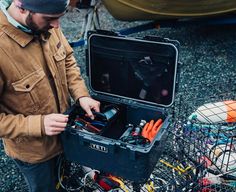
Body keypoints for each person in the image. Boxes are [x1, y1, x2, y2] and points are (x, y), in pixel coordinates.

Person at [0, 0, 100, 191]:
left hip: (67, 138)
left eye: (60, 17)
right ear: (21, 7)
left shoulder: (47, 24)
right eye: (50, 18)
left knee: (66, 181)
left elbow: (68, 60)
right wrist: (38, 124)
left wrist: (81, 95)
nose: (56, 26)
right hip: (35, 155)